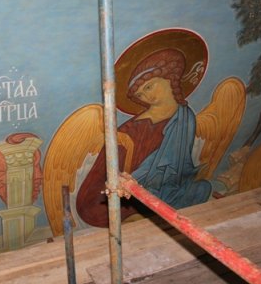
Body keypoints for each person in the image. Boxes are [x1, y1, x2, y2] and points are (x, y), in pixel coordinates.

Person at [77, 48, 211, 227]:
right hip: (135, 189)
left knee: (203, 188)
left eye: (148, 87)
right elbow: (107, 175)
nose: (147, 96)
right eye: (140, 94)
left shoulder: (186, 117)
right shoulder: (133, 128)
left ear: (169, 77)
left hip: (168, 187)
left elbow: (181, 164)